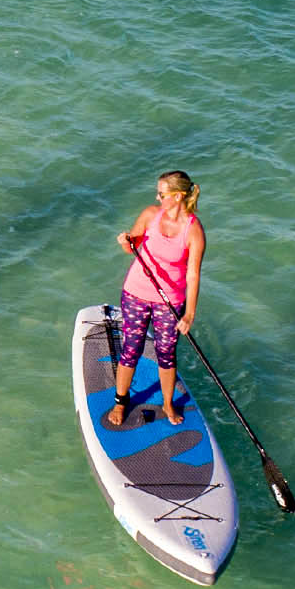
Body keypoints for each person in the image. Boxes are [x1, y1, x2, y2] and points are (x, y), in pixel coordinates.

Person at [108, 170, 204, 428]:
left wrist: (189, 315)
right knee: (132, 349)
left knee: (166, 354)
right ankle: (120, 400)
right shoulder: (151, 214)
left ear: (178, 196)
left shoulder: (193, 231)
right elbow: (133, 244)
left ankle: (167, 403)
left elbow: (193, 275)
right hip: (136, 292)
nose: (157, 197)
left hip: (169, 302)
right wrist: (126, 241)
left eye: (162, 193)